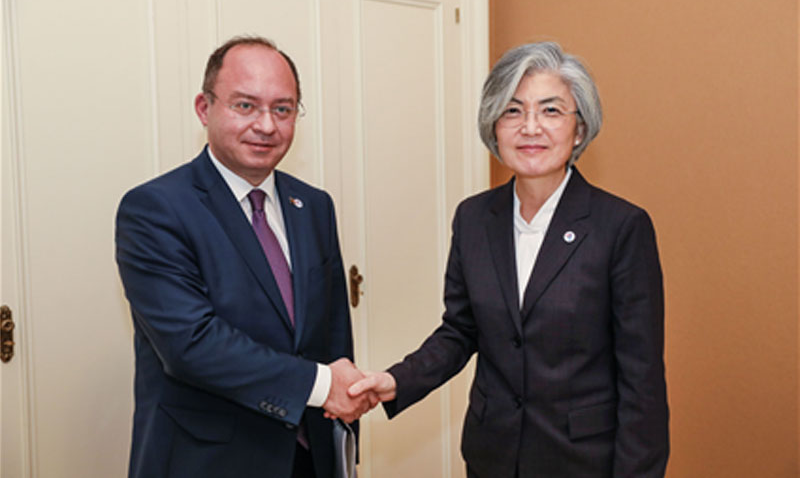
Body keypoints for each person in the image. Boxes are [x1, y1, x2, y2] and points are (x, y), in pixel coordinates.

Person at [349, 42, 669, 477]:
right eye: (513, 111)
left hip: (583, 461)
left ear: (579, 130)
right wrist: (398, 380)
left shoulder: (621, 227)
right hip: (492, 455)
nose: (530, 127)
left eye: (551, 111)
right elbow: (460, 331)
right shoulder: (474, 218)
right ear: (494, 128)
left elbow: (642, 378)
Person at [116, 36, 370, 478]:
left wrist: (341, 426)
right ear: (204, 107)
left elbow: (332, 336)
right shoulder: (155, 209)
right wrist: (324, 386)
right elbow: (191, 344)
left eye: (283, 109)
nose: (267, 125)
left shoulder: (313, 205)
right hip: (208, 461)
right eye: (246, 106)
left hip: (308, 456)